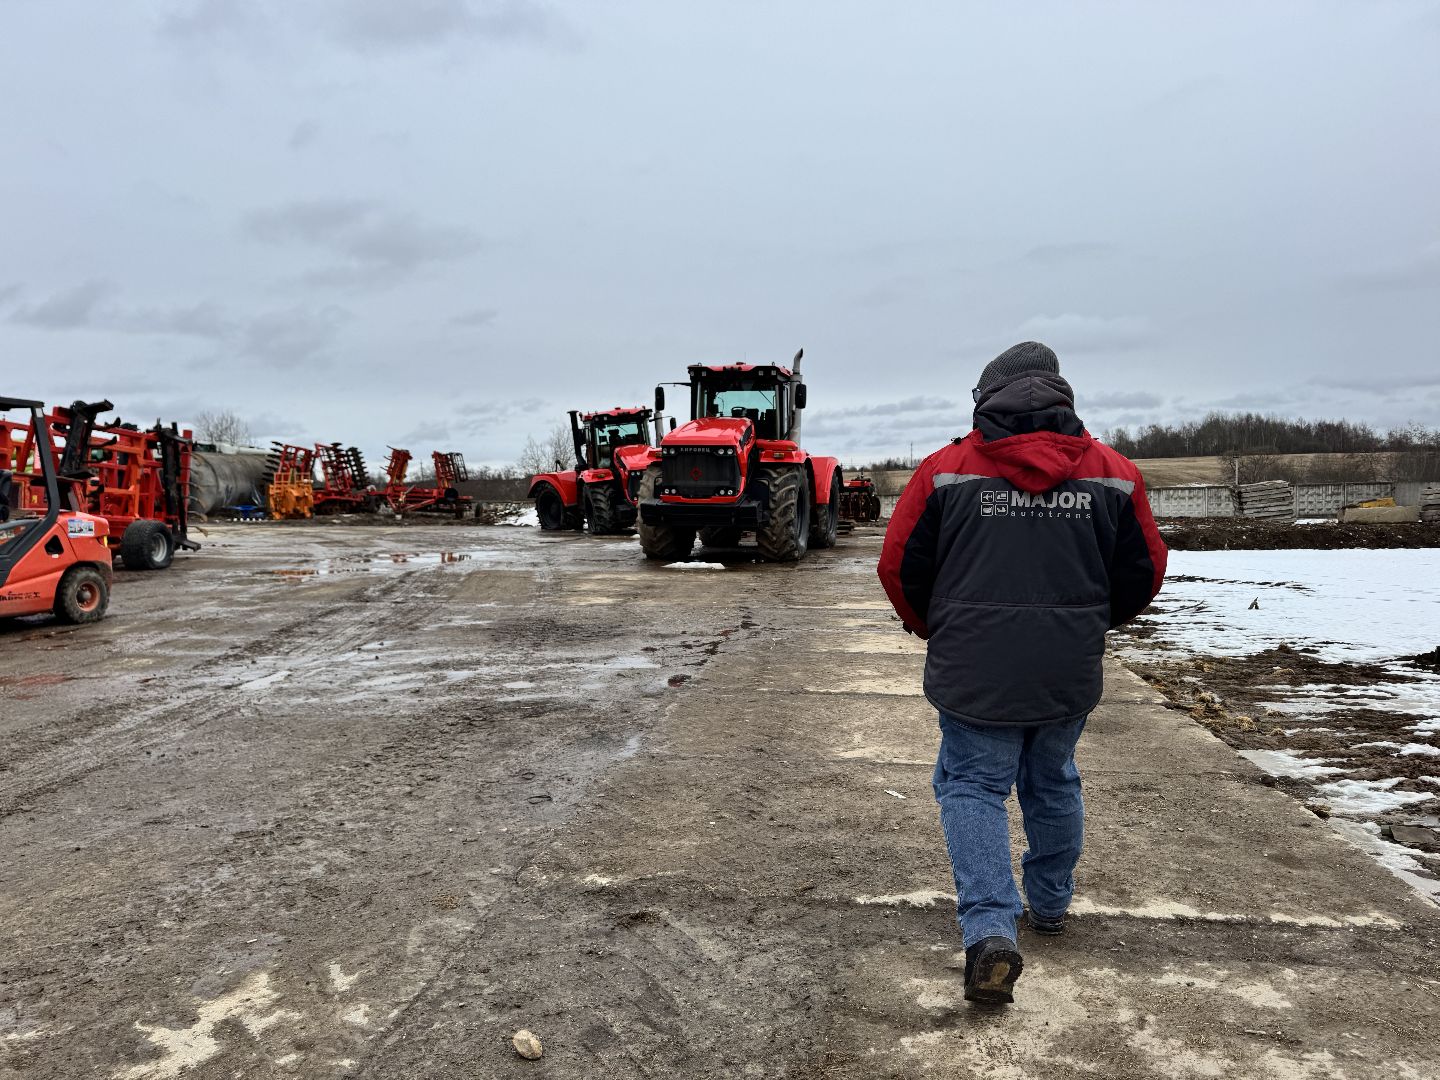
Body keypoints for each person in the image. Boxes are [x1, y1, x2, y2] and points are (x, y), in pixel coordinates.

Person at [877, 341, 1166, 1005]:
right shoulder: (1113, 472)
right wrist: (1087, 625)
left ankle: (988, 932)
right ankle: (1051, 906)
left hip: (975, 667)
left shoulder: (946, 470)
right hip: (1067, 667)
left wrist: (933, 626)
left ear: (984, 399)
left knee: (974, 784)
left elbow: (899, 566)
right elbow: (1143, 571)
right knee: (1053, 777)